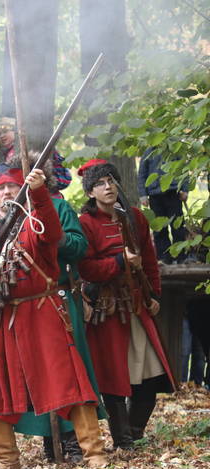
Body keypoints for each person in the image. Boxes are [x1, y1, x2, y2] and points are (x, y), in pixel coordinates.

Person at [0, 167, 108, 469]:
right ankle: (6, 458)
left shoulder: (36, 222)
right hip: (2, 315)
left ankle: (94, 453)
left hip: (42, 311)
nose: (6, 193)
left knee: (69, 379)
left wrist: (38, 192)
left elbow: (52, 229)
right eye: (0, 190)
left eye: (12, 188)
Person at [4, 154, 104, 463]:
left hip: (57, 297)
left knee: (67, 370)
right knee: (36, 370)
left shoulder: (60, 208)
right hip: (22, 305)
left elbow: (78, 247)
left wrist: (50, 237)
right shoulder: (10, 216)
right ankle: (51, 441)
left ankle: (74, 441)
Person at [78, 159, 176, 449]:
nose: (108, 187)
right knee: (114, 376)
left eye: (111, 181)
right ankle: (122, 439)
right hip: (107, 310)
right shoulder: (85, 223)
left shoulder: (135, 217)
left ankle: (134, 432)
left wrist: (154, 295)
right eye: (99, 183)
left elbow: (149, 260)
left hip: (137, 305)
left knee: (150, 374)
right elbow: (86, 269)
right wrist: (119, 261)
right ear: (90, 192)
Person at [0, 117, 71, 198]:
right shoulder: (8, 154)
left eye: (5, 132)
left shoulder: (21, 151)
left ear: (16, 131)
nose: (2, 136)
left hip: (47, 196)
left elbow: (6, 174)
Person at [137, 148, 190, 263]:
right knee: (159, 228)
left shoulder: (175, 150)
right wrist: (143, 194)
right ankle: (164, 257)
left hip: (173, 193)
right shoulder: (148, 153)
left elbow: (184, 171)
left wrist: (185, 190)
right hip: (155, 196)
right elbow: (142, 174)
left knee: (178, 226)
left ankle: (181, 256)